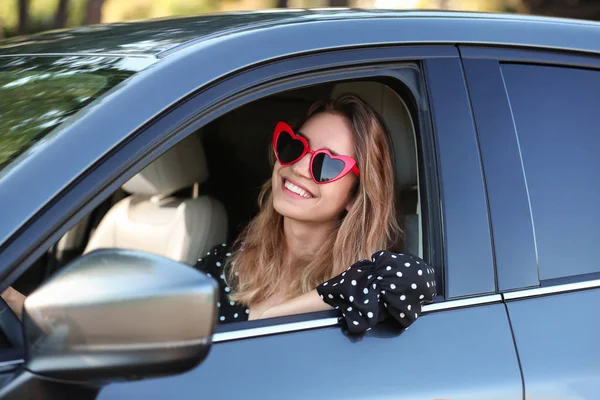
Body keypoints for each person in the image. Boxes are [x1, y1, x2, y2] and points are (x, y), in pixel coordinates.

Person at [197, 94, 436, 333]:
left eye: (327, 163)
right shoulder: (224, 267)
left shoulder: (362, 290)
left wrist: (274, 317)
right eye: (295, 146)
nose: (298, 168)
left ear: (355, 195)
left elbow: (413, 280)